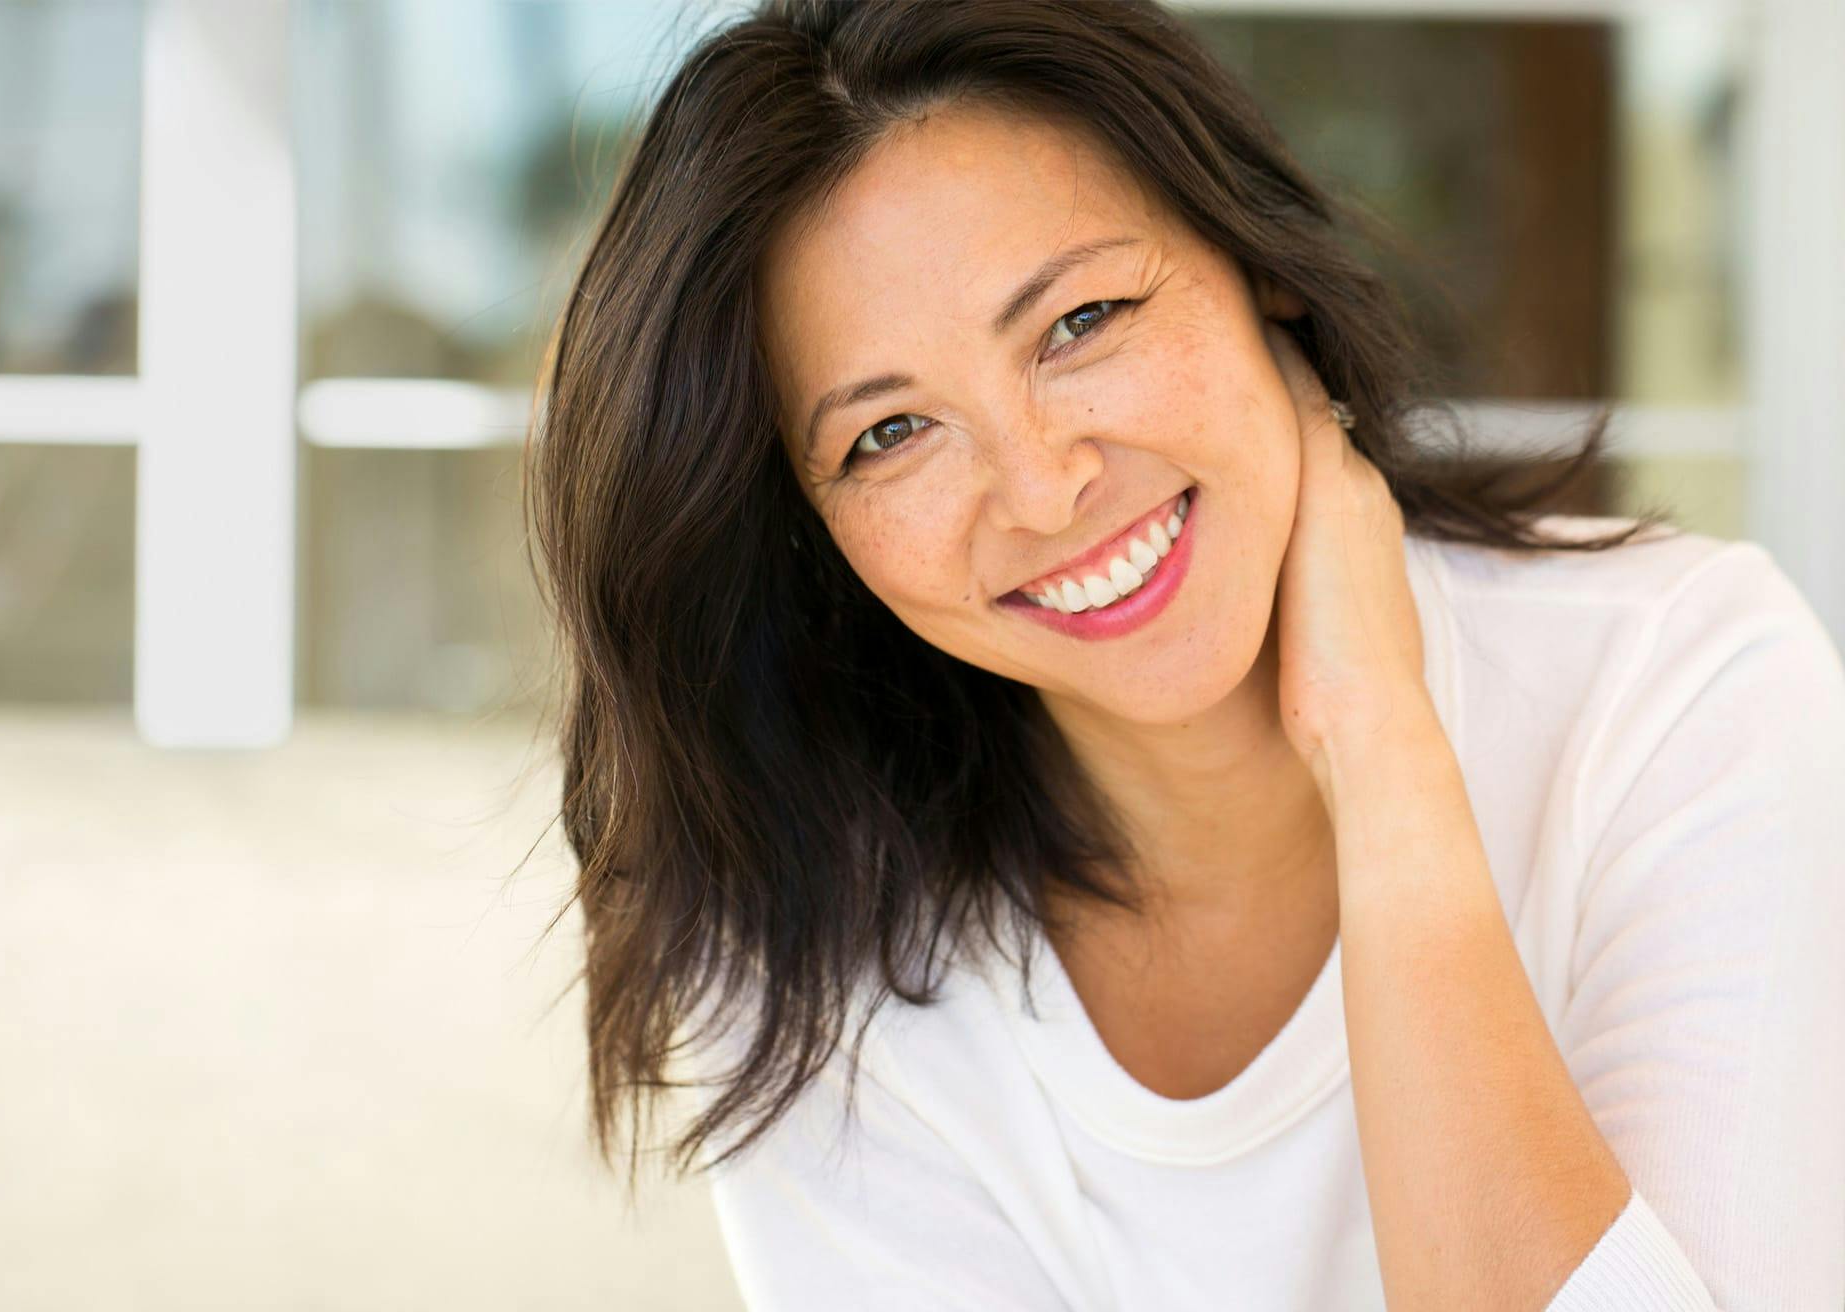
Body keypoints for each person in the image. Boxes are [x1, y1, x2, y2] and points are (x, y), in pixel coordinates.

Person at [520, 1, 1845, 1307]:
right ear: (812, 532)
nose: (1042, 490)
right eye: (890, 436)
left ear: (1253, 256)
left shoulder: (1678, 688)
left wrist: (1384, 756)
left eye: (1081, 322)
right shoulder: (807, 946)